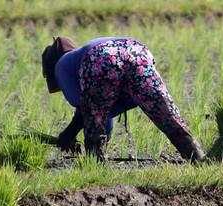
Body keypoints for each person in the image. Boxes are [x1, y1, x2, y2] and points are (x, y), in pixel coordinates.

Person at [41, 36, 206, 162]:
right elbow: (104, 111)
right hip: (137, 52)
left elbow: (87, 109)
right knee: (165, 112)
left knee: (93, 116)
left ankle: (95, 165)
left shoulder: (61, 64)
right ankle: (197, 158)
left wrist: (68, 134)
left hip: (101, 57)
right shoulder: (81, 54)